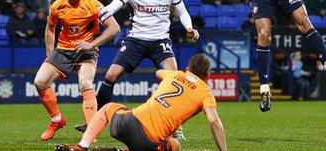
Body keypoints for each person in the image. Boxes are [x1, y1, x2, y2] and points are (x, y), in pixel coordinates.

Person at [95, 0, 199, 139]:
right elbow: (117, 3)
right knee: (110, 75)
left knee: (173, 79)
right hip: (136, 40)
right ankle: (96, 120)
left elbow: (182, 12)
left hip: (160, 41)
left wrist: (189, 27)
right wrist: (104, 11)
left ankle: (175, 127)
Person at [56, 54, 227, 151]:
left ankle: (82, 146)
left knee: (109, 107)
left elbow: (159, 72)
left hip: (123, 125)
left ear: (188, 68)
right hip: (147, 141)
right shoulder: (205, 92)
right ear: (208, 75)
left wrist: (181, 74)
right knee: (175, 146)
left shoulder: (175, 75)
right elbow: (213, 121)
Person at [34, 0, 119, 141]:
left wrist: (91, 44)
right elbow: (50, 28)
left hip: (86, 51)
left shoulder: (93, 4)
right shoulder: (57, 6)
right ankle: (57, 119)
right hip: (64, 49)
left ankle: (91, 132)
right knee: (40, 82)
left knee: (85, 84)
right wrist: (50, 53)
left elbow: (114, 28)